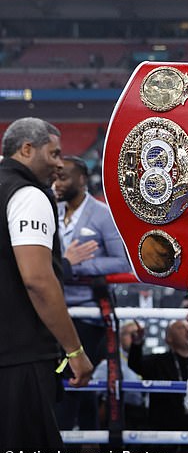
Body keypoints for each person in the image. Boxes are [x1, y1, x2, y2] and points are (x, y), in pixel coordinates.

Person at [0, 117, 93, 449]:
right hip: (20, 357)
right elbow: (38, 280)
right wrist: (75, 350)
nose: (59, 164)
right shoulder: (29, 195)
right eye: (53, 153)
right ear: (27, 149)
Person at [53, 154, 130, 430]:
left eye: (63, 177)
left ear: (83, 179)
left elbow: (123, 262)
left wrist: (78, 265)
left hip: (87, 316)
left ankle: (62, 444)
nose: (57, 182)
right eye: (55, 176)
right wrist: (65, 262)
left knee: (67, 384)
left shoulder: (103, 214)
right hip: (53, 311)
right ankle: (83, 446)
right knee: (69, 388)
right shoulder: (51, 209)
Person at [128, 319, 188, 433]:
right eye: (181, 328)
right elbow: (135, 364)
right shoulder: (158, 361)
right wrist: (137, 343)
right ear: (169, 338)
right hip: (165, 429)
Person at [92, 320, 147, 429]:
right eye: (129, 333)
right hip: (119, 415)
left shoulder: (147, 361)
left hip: (143, 416)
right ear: (119, 337)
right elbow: (94, 394)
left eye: (137, 333)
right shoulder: (108, 364)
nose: (134, 336)